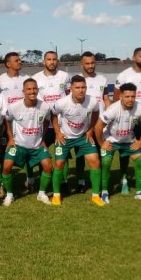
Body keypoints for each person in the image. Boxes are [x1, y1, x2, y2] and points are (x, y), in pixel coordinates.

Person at [0, 78, 53, 206]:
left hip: (37, 145)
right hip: (18, 145)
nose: (32, 91)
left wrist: (42, 138)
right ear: (23, 91)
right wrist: (11, 138)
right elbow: (7, 120)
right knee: (6, 166)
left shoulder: (44, 106)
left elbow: (47, 120)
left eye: (34, 88)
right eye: (29, 89)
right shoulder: (14, 107)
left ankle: (41, 194)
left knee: (48, 165)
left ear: (38, 90)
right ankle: (10, 195)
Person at [94, 83, 141, 203]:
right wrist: (102, 143)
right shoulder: (113, 110)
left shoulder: (140, 108)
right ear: (120, 96)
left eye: (133, 96)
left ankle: (139, 192)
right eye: (127, 96)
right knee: (106, 161)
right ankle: (104, 192)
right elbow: (98, 127)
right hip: (111, 140)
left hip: (128, 140)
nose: (130, 99)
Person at [51, 75, 102, 207]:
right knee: (59, 164)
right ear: (71, 89)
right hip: (65, 138)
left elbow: (96, 113)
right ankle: (56, 195)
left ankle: (96, 196)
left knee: (95, 162)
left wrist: (90, 130)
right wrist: (58, 132)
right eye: (77, 87)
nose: (81, 90)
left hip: (83, 137)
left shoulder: (92, 101)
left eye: (83, 87)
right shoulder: (62, 102)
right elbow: (53, 115)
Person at [114, 47, 141, 194]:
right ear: (134, 58)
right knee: (125, 152)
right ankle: (124, 179)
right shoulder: (124, 75)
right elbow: (116, 98)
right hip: (128, 121)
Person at [0, 52, 33, 192]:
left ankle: (30, 179)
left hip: (24, 122)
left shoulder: (27, 79)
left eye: (20, 60)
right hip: (7, 122)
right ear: (8, 64)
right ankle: (3, 183)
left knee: (28, 149)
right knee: (5, 152)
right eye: (16, 60)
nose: (20, 62)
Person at [74, 51, 111, 194]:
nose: (90, 66)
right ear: (81, 64)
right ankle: (81, 182)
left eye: (92, 63)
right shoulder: (76, 80)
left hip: (100, 123)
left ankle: (101, 181)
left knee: (101, 152)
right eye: (87, 63)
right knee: (80, 155)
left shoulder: (102, 79)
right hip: (82, 124)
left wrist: (108, 117)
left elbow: (106, 98)